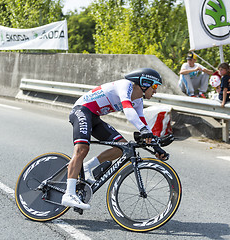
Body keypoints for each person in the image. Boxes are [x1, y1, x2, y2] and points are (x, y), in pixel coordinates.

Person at [61, 68, 169, 210]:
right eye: (154, 86)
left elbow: (142, 123)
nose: (155, 91)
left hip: (94, 117)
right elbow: (129, 113)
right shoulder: (126, 85)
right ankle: (68, 194)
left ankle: (86, 167)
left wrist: (156, 146)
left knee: (121, 147)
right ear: (144, 83)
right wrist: (143, 131)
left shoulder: (137, 100)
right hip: (81, 110)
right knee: (82, 148)